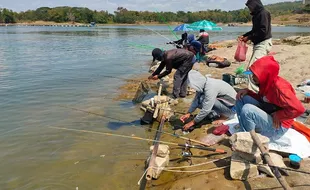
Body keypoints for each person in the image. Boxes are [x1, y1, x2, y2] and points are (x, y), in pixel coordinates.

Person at [236, 56, 305, 141]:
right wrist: (248, 92)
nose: (252, 77)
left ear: (265, 73)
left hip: (278, 127)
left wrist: (279, 115)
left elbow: (299, 109)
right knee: (242, 98)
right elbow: (264, 99)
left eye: (255, 75)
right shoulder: (266, 83)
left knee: (247, 109)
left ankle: (248, 140)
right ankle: (244, 131)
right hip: (269, 113)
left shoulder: (280, 88)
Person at [238, 0, 272, 92]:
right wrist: (245, 35)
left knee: (252, 69)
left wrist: (249, 37)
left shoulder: (263, 13)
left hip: (263, 44)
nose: (250, 8)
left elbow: (263, 31)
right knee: (259, 70)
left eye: (250, 6)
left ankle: (254, 92)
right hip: (258, 45)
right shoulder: (256, 15)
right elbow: (255, 30)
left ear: (255, 5)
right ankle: (260, 90)